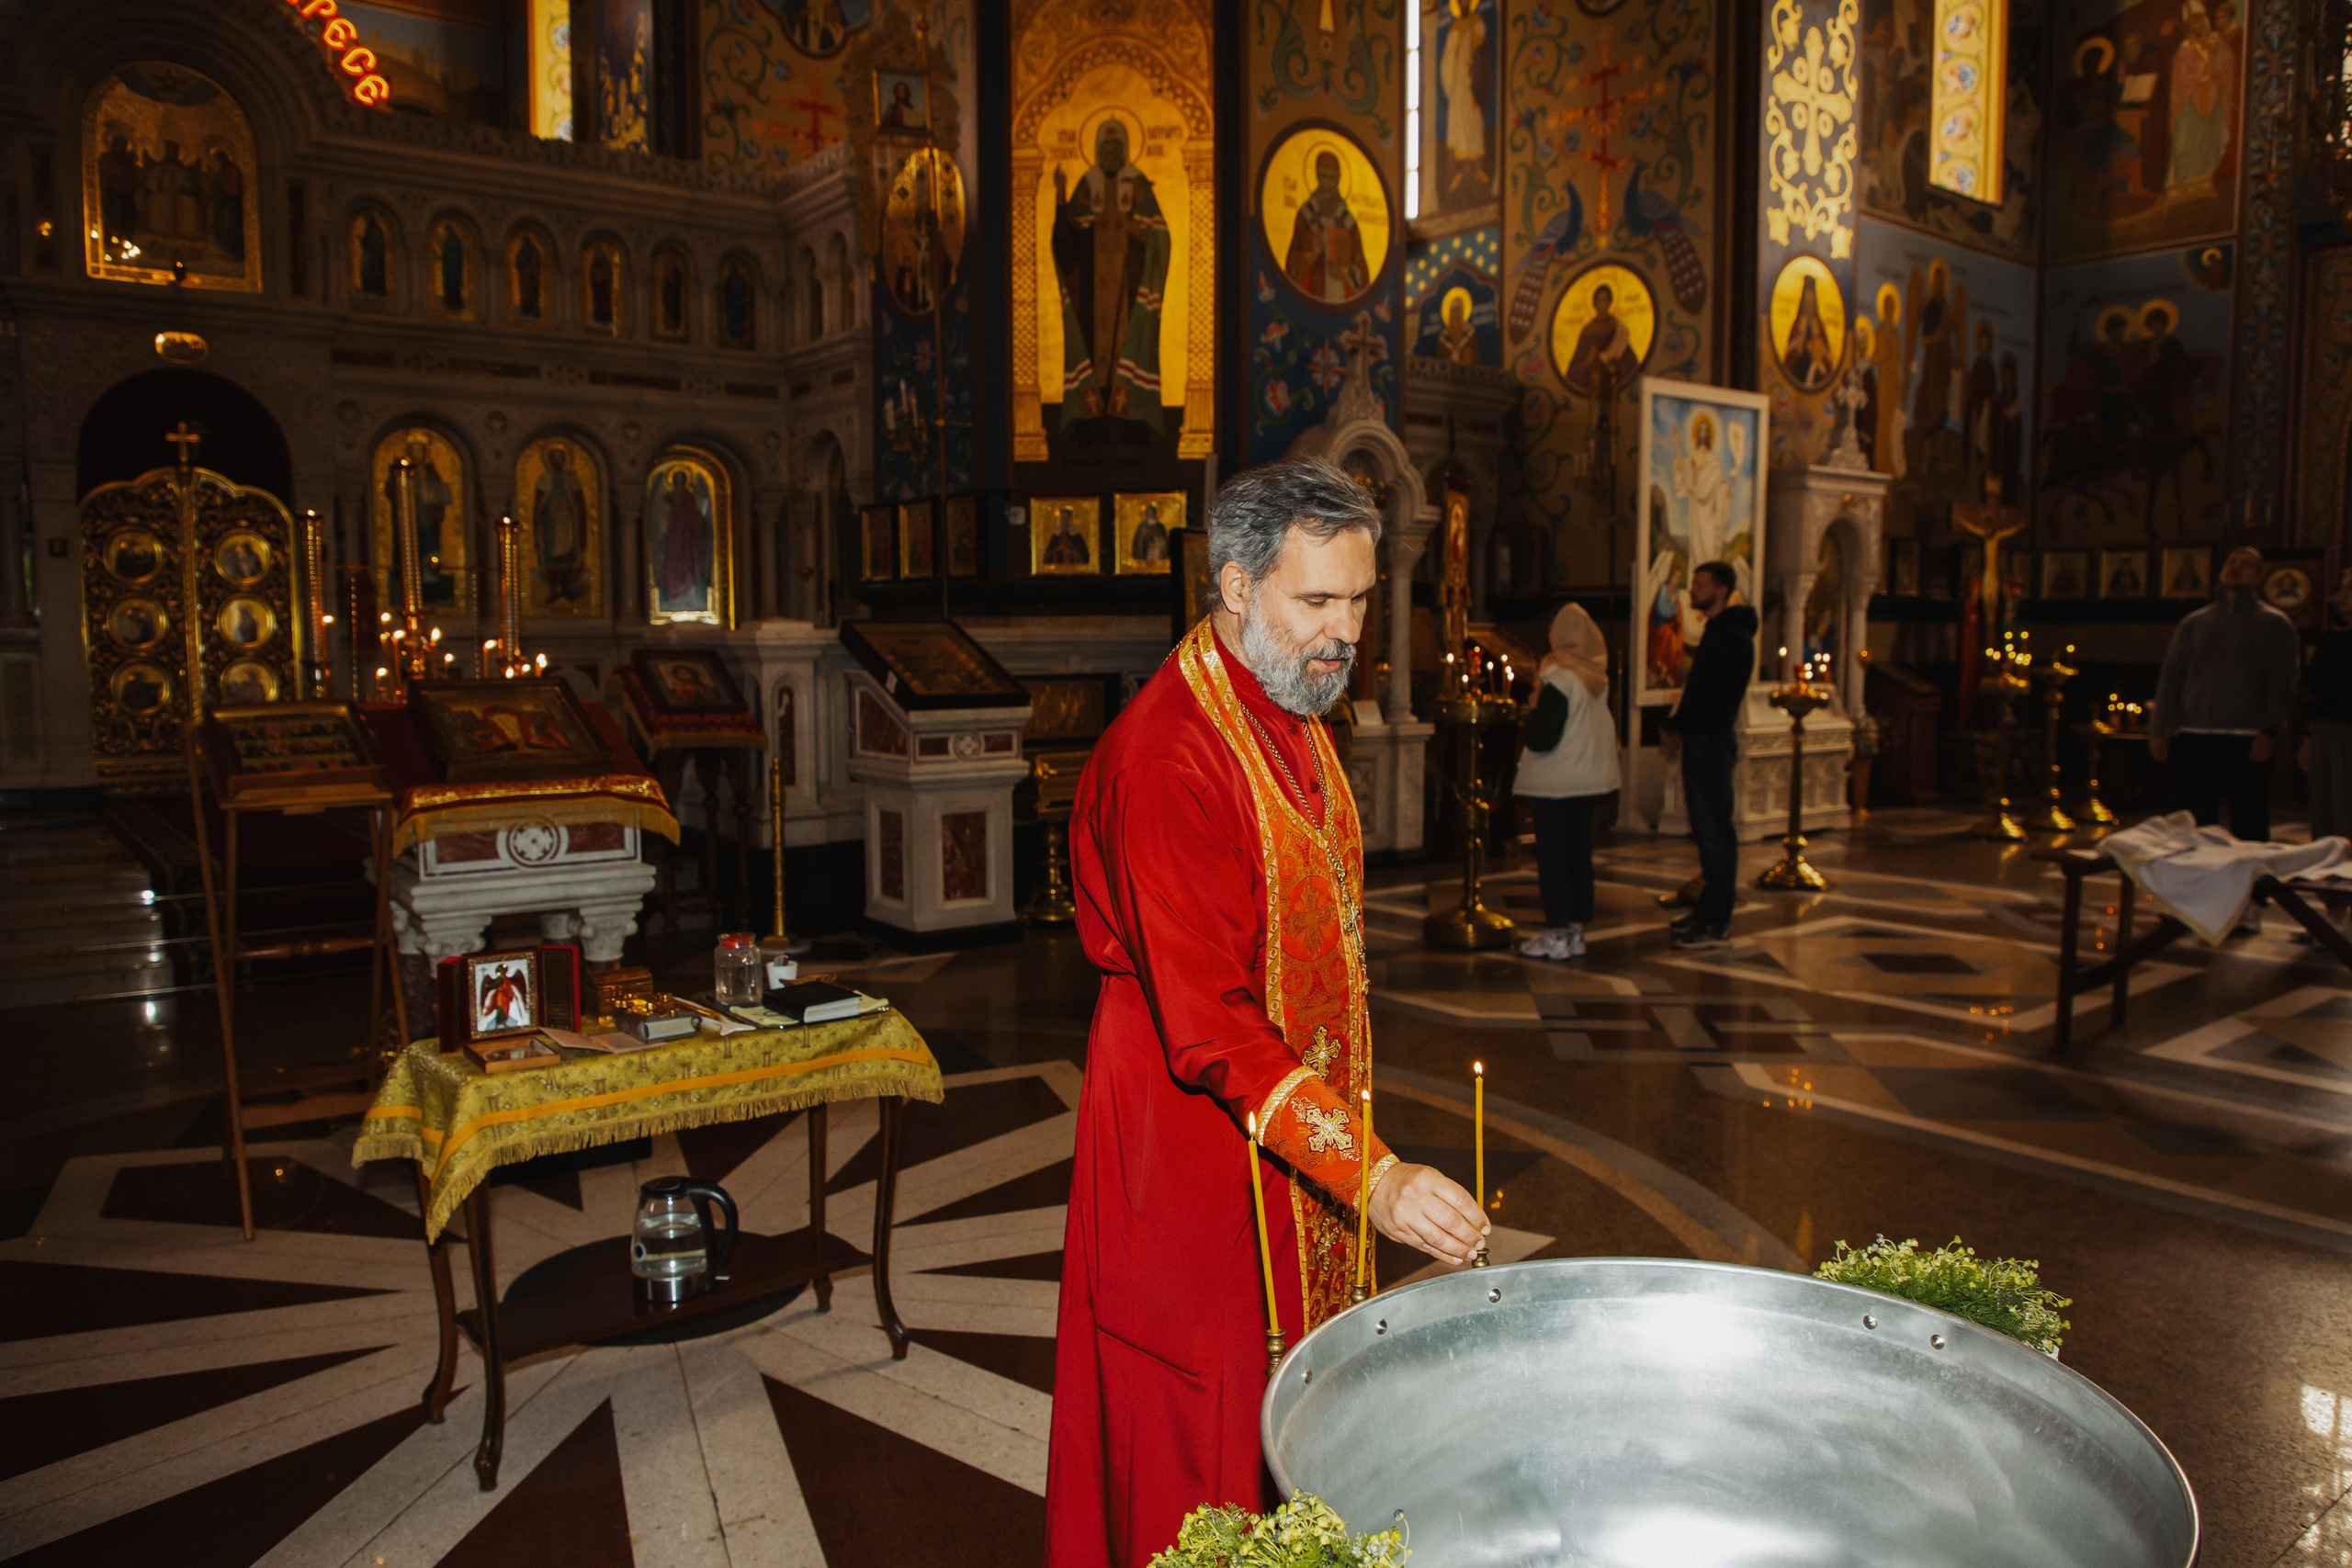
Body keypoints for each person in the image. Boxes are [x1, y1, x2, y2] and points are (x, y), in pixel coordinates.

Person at [1044, 459, 1487, 1568]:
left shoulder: (1285, 711)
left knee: (1296, 1395)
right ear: (1237, 586)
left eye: (1359, 600)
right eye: (1317, 601)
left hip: (1292, 1126)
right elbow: (1209, 1025)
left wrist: (1347, 1160)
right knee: (1197, 1410)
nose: (1343, 632)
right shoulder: (1165, 761)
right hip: (1187, 1134)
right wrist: (1370, 1174)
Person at [2151, 545, 2301, 851]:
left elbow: (2282, 684)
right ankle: (2192, 884)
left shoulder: (2275, 624)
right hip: (2196, 735)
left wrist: (2270, 730)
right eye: (2230, 561)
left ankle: (2254, 889)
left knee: (2249, 822)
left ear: (2259, 576)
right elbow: (2172, 678)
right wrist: (2159, 728)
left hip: (2246, 737)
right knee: (2192, 821)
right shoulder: (2195, 622)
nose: (2234, 567)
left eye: (2245, 564)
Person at [1657, 560, 1756, 951]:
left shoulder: (1731, 636)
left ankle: (1716, 922)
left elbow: (1714, 698)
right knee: (1706, 832)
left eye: (1700, 585)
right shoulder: (1719, 632)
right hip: (1703, 739)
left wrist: (1680, 727)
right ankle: (1706, 912)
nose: (1693, 591)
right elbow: (1698, 692)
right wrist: (1677, 725)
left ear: (1720, 589)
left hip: (1712, 743)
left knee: (1716, 834)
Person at [1514, 603, 1621, 961]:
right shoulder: (1596, 675)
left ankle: (1556, 933)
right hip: (1587, 778)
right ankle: (1575, 931)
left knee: (1554, 858)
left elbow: (1542, 735)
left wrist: (1530, 714)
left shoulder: (1558, 676)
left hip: (1556, 779)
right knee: (1579, 854)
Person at [2301, 569, 2352, 843]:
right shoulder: (2332, 639)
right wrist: (2309, 736)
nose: (2340, 596)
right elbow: (2316, 690)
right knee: (2327, 808)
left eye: (2350, 589)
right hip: (2326, 729)